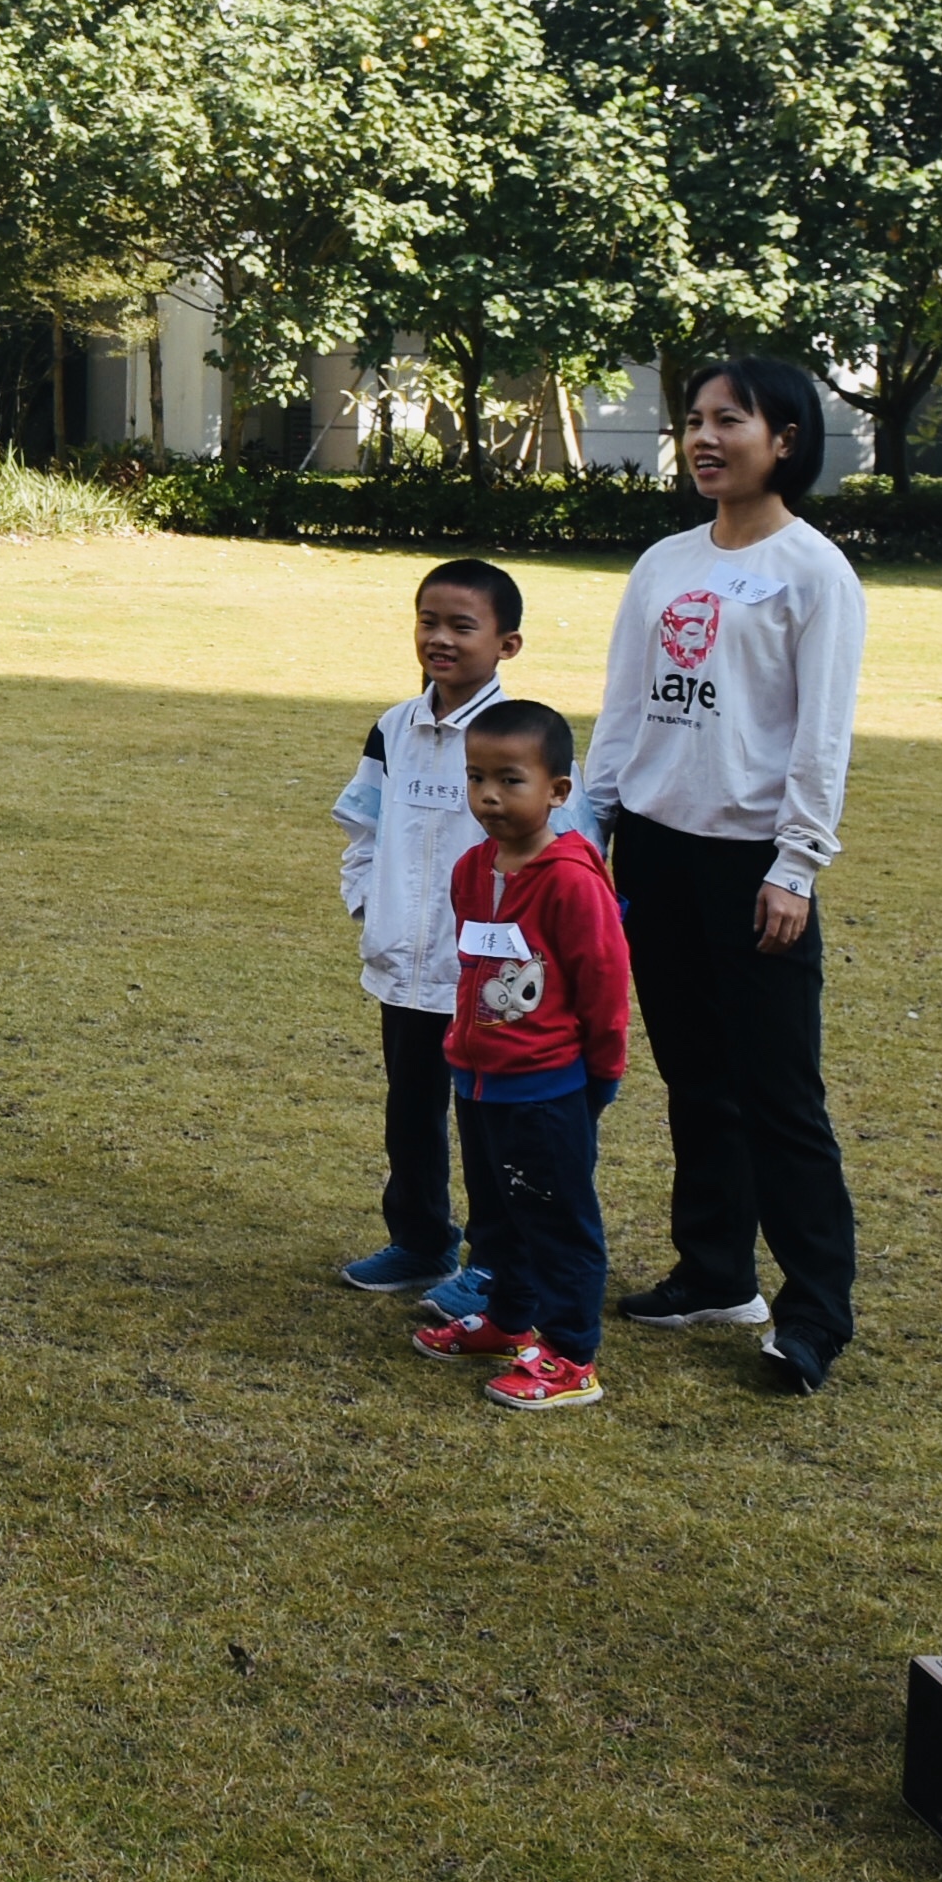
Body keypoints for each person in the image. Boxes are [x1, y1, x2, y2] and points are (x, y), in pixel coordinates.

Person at [569, 353, 865, 1394]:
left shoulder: (813, 573)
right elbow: (623, 707)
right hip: (653, 844)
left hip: (751, 864)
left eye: (727, 420)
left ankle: (813, 1311)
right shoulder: (663, 563)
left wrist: (794, 866)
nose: (703, 438)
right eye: (692, 419)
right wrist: (587, 824)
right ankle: (711, 1272)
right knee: (694, 1075)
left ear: (781, 439)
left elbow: (819, 736)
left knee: (777, 1093)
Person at [405, 702, 630, 1414]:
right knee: (499, 1212)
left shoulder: (571, 879)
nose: (490, 797)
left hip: (546, 1087)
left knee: (556, 1218)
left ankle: (570, 1355)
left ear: (559, 792)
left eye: (511, 780)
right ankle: (508, 1322)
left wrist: (601, 1073)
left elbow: (602, 979)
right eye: (476, 779)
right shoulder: (473, 868)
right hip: (477, 1079)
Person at [329, 559, 526, 1302]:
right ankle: (419, 1240)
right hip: (401, 963)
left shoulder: (518, 735)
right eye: (428, 622)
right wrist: (368, 904)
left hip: (481, 975)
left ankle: (496, 1263)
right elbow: (365, 826)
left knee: (487, 1126)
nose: (440, 639)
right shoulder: (394, 729)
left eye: (461, 627)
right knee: (410, 1109)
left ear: (506, 644)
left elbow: (546, 851)